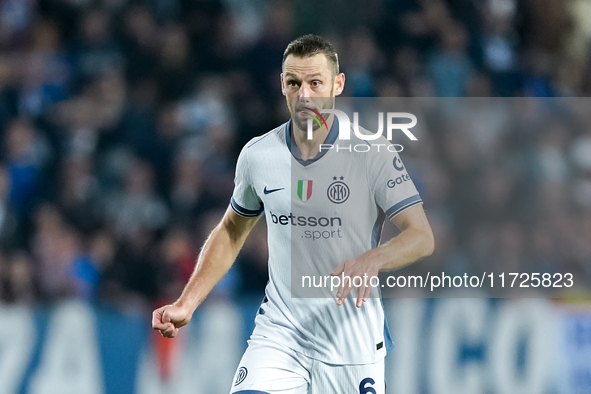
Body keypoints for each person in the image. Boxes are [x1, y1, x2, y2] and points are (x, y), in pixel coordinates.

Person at [152, 34, 434, 394]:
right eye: (294, 83)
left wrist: (374, 259)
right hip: (281, 334)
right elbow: (231, 230)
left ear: (338, 83)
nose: (304, 95)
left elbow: (421, 236)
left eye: (315, 83)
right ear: (282, 85)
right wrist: (186, 303)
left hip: (351, 342)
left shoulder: (372, 153)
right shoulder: (259, 155)